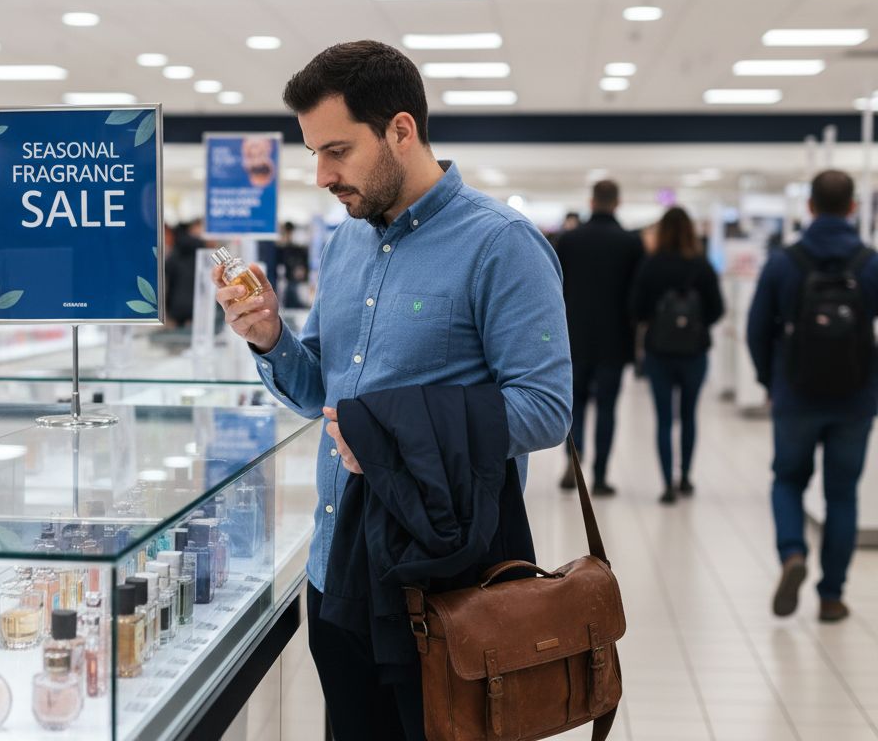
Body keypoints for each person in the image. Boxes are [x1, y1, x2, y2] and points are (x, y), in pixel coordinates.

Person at [212, 40, 571, 740]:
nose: (321, 175)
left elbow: (546, 408)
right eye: (314, 153)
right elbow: (326, 391)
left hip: (440, 583)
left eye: (337, 151)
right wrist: (268, 338)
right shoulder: (345, 244)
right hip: (334, 571)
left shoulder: (502, 245)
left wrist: (392, 431)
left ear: (400, 131)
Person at [747, 169, 878, 624]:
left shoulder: (786, 261)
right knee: (842, 495)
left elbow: (757, 328)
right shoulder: (870, 262)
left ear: (809, 207)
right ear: (852, 208)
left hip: (796, 394)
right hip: (857, 399)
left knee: (788, 481)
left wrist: (770, 381)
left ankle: (792, 555)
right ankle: (832, 596)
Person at [554, 180, 645, 495]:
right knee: (607, 407)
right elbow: (637, 298)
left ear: (591, 202)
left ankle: (573, 463)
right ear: (617, 203)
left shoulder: (569, 240)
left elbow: (554, 289)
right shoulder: (630, 244)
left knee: (574, 405)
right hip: (614, 340)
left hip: (573, 337)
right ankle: (601, 474)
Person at [629, 207, 725, 504]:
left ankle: (666, 483)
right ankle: (685, 476)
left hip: (659, 351)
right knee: (688, 415)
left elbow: (635, 309)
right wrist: (694, 324)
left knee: (663, 418)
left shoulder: (651, 265)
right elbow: (717, 309)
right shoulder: (702, 265)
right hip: (695, 352)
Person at [164, 219, 206, 327]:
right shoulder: (200, 251)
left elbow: (167, 275)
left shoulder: (176, 252)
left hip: (176, 306)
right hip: (197, 304)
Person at [277, 220, 310, 309]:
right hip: (285, 280)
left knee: (293, 298)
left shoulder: (297, 248)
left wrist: (300, 269)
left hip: (292, 281)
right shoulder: (280, 248)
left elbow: (302, 264)